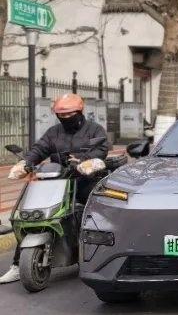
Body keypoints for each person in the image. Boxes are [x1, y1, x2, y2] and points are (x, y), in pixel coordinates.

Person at [1, 94, 110, 284]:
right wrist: (26, 163)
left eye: (69, 114)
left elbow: (101, 149)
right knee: (31, 215)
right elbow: (39, 149)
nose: (65, 118)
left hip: (84, 180)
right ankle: (18, 266)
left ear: (79, 112)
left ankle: (99, 256)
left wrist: (85, 161)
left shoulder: (94, 129)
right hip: (57, 181)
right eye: (61, 114)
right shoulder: (53, 132)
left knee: (94, 215)